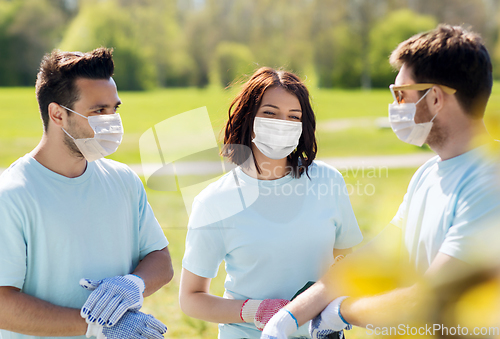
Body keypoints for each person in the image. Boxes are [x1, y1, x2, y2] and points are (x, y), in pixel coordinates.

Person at [261, 24, 500, 339]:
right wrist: (289, 317)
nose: (395, 106)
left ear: (437, 98)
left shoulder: (490, 180)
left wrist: (341, 312)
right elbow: (369, 262)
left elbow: (428, 303)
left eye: (401, 94)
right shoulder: (428, 174)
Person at [0, 48, 174, 339]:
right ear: (57, 114)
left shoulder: (124, 181)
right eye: (98, 111)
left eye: (114, 109)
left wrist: (135, 283)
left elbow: (160, 258)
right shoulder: (13, 196)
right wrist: (95, 325)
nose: (111, 122)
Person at [179, 67, 363, 339]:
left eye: (293, 117)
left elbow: (346, 265)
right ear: (247, 118)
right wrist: (255, 310)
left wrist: (334, 306)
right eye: (270, 113)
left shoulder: (328, 181)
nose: (282, 123)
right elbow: (191, 298)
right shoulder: (214, 201)